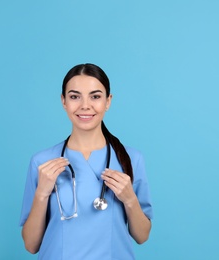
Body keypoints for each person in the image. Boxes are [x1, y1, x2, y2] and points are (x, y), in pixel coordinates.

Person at [19, 63, 153, 259]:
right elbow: (31, 245)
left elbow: (142, 236)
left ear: (108, 101)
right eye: (74, 96)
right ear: (63, 101)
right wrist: (41, 194)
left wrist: (130, 199)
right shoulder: (42, 162)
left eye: (95, 96)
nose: (85, 105)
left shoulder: (131, 159)